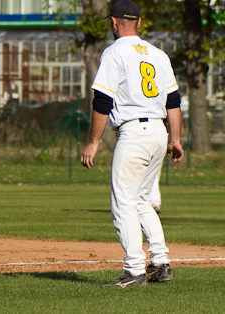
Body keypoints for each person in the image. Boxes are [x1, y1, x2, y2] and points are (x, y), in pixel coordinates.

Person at [80, 0, 184, 287]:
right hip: (159, 132)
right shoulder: (158, 54)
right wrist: (175, 139)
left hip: (134, 132)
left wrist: (93, 142)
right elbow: (173, 102)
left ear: (114, 22)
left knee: (123, 201)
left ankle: (135, 271)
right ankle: (161, 264)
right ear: (138, 22)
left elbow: (102, 100)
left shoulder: (114, 52)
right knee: (140, 200)